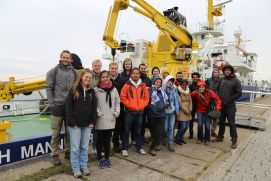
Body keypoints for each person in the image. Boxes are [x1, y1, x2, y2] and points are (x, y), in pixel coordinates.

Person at [46, 50, 77, 165]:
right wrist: (52, 104)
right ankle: (54, 154)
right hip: (57, 106)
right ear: (60, 57)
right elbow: (49, 88)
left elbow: (77, 88)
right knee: (56, 133)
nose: (65, 59)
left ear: (70, 59)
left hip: (70, 107)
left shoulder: (74, 72)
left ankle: (68, 151)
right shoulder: (52, 72)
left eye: (67, 58)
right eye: (64, 57)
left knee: (70, 131)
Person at [65, 69, 97, 178]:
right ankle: (76, 168)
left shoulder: (92, 92)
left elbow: (94, 108)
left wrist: (93, 121)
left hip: (87, 124)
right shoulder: (73, 89)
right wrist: (71, 121)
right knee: (75, 147)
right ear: (81, 77)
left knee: (84, 146)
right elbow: (68, 107)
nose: (87, 79)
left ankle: (84, 165)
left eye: (89, 78)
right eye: (86, 77)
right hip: (75, 124)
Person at [120, 68, 149, 157]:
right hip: (129, 112)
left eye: (137, 73)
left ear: (139, 75)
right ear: (131, 75)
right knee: (126, 130)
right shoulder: (127, 85)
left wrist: (142, 105)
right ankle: (125, 148)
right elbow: (123, 97)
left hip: (140, 112)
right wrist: (129, 105)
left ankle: (139, 147)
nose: (135, 75)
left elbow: (146, 97)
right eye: (134, 73)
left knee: (138, 131)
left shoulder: (143, 85)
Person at [94, 70, 120, 169]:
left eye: (107, 76)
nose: (105, 78)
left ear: (109, 77)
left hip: (110, 118)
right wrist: (98, 113)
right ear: (100, 78)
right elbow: (93, 104)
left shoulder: (114, 89)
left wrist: (117, 112)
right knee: (99, 141)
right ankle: (100, 158)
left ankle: (107, 158)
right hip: (100, 119)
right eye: (103, 77)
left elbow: (117, 103)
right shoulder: (96, 89)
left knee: (107, 140)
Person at [213, 65, 242, 149]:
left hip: (230, 106)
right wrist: (218, 99)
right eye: (226, 70)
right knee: (221, 122)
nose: (227, 71)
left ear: (231, 72)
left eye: (229, 70)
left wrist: (230, 99)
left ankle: (234, 140)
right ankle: (220, 137)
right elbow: (218, 90)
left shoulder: (236, 81)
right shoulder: (221, 80)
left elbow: (239, 93)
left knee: (231, 123)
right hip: (221, 106)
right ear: (224, 71)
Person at [190, 80, 221, 145]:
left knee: (207, 125)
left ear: (205, 87)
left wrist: (218, 108)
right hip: (199, 110)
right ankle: (199, 138)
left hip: (208, 111)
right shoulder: (196, 92)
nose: (201, 88)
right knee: (200, 125)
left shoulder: (210, 92)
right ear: (198, 88)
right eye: (200, 87)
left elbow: (217, 99)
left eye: (203, 87)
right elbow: (188, 95)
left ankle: (207, 139)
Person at [148, 77, 168, 156]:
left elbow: (166, 100)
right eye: (156, 82)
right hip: (152, 114)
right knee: (154, 131)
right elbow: (147, 101)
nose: (158, 83)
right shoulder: (150, 90)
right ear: (153, 82)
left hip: (161, 114)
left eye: (159, 82)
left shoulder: (163, 91)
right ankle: (156, 143)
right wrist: (151, 108)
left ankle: (151, 148)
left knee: (159, 131)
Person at [109, 62, 125, 153]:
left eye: (115, 68)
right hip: (108, 106)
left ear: (117, 69)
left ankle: (116, 144)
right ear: (109, 68)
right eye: (112, 68)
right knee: (107, 126)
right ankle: (106, 144)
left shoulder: (122, 80)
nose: (114, 70)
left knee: (118, 126)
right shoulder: (106, 79)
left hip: (119, 106)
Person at [162, 75, 179, 152]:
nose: (170, 83)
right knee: (165, 128)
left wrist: (177, 110)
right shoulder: (162, 89)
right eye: (169, 81)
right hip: (164, 111)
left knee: (171, 128)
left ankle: (170, 143)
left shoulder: (174, 89)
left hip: (172, 111)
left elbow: (176, 100)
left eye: (172, 81)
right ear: (166, 81)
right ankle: (164, 138)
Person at [90, 59, 102, 153]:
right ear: (92, 66)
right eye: (95, 65)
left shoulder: (103, 76)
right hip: (89, 105)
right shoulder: (89, 76)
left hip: (100, 105)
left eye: (98, 66)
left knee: (97, 128)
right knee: (88, 128)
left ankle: (95, 147)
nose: (97, 67)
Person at [174, 79, 192, 145]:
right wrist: (186, 110)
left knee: (186, 126)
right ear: (180, 85)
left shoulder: (188, 91)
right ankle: (177, 139)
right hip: (182, 111)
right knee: (183, 126)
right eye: (182, 85)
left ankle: (181, 138)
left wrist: (190, 109)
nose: (184, 86)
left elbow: (190, 101)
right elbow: (179, 103)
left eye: (185, 85)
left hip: (188, 111)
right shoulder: (178, 91)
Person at [206, 69, 222, 137]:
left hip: (217, 99)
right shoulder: (209, 80)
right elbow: (205, 88)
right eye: (214, 72)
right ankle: (207, 130)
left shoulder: (221, 80)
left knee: (216, 116)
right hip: (209, 99)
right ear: (213, 73)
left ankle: (213, 130)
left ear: (218, 73)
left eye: (217, 72)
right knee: (208, 114)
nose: (216, 73)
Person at [139, 63, 152, 143]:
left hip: (146, 104)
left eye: (144, 68)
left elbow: (150, 90)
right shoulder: (137, 78)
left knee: (144, 122)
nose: (143, 69)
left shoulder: (148, 79)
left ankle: (143, 137)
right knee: (139, 122)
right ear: (139, 69)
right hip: (139, 104)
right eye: (142, 68)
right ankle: (138, 137)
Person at [188, 72, 200, 139]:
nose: (195, 78)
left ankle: (199, 134)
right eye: (194, 77)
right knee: (191, 120)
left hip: (199, 104)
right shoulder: (190, 86)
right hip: (192, 104)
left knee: (200, 120)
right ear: (192, 78)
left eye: (196, 77)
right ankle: (191, 133)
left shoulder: (201, 85)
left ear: (198, 77)